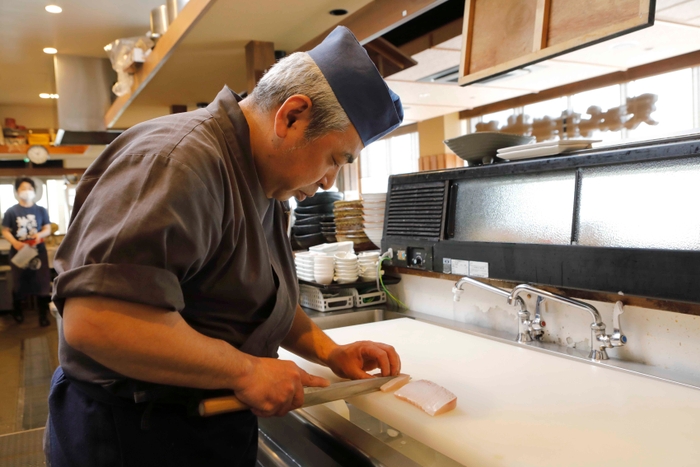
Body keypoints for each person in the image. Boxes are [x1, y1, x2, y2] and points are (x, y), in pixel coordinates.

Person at [46, 26, 404, 467]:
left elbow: (262, 299)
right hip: (134, 436)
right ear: (292, 116)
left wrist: (330, 352)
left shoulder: (265, 183)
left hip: (202, 428)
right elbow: (97, 321)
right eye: (335, 159)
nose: (330, 181)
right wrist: (246, 370)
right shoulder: (178, 162)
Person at [1, 177, 52, 327]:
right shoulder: (11, 211)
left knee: (42, 283)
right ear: (17, 191)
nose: (27, 191)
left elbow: (47, 228)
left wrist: (39, 235)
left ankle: (43, 315)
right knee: (19, 283)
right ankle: (17, 311)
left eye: (30, 188)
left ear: (34, 191)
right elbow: (5, 230)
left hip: (38, 251)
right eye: (23, 188)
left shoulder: (41, 210)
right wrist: (15, 243)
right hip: (19, 251)